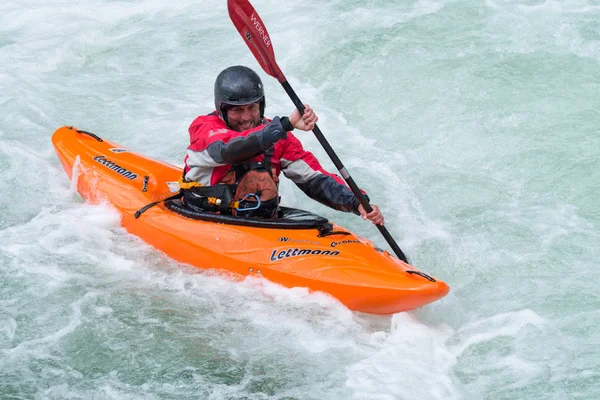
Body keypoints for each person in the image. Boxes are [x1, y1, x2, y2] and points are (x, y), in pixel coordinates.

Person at [182, 65, 384, 225]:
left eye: (252, 108)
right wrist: (286, 124)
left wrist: (356, 202)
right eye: (237, 110)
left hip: (261, 224)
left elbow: (313, 177)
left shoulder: (276, 135)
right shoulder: (205, 129)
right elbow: (230, 150)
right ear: (222, 109)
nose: (246, 118)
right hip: (206, 218)